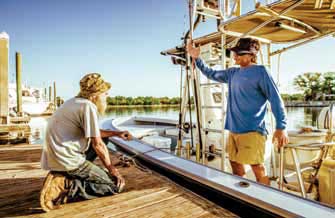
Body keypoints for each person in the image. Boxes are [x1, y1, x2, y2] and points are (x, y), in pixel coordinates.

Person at [187, 38, 289, 185]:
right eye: (234, 53)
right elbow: (211, 74)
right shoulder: (232, 73)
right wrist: (197, 59)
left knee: (257, 168)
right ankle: (243, 194)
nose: (235, 56)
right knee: (234, 163)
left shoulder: (261, 72)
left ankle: (266, 199)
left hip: (252, 131)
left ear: (251, 55)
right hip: (233, 130)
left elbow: (275, 99)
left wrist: (281, 127)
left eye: (239, 53)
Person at [40, 73, 132, 212]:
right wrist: (112, 169)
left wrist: (117, 133)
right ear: (96, 94)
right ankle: (66, 185)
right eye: (105, 94)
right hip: (68, 159)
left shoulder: (74, 102)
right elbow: (97, 144)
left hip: (56, 157)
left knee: (104, 138)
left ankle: (63, 175)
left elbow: (95, 133)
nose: (107, 97)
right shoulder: (88, 106)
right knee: (114, 185)